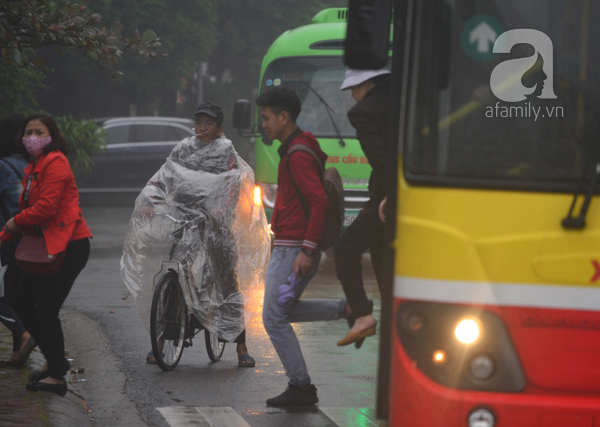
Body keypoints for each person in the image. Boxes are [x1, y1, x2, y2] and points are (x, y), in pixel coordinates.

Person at [122, 103, 270, 368]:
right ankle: (161, 342)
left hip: (216, 224)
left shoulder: (226, 151)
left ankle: (241, 345)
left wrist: (220, 210)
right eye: (199, 122)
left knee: (226, 280)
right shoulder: (184, 148)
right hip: (185, 220)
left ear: (219, 129)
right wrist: (150, 200)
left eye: (208, 124)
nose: (202, 128)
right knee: (174, 274)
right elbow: (163, 176)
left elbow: (234, 184)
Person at [256, 87, 348, 407]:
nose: (263, 124)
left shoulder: (296, 153)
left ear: (284, 117)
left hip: (293, 246)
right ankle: (344, 309)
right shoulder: (300, 145)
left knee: (273, 318)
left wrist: (307, 251)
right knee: (284, 310)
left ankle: (301, 387)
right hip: (291, 243)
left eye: (267, 118)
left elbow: (319, 200)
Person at [0, 113, 92, 396]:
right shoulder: (35, 166)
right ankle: (55, 362)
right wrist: (8, 232)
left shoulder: (56, 163)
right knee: (19, 299)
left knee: (45, 309)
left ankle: (57, 377)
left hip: (68, 245)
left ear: (51, 136)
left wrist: (17, 222)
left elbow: (47, 208)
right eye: (28, 132)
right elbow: (30, 213)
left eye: (39, 131)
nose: (33, 137)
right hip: (42, 243)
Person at [334, 68, 391, 348]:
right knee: (383, 259)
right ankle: (392, 320)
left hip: (385, 198)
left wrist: (391, 195)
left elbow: (382, 159)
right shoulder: (402, 98)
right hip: (408, 191)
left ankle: (362, 315)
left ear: (367, 83)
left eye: (354, 89)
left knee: (345, 249)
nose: (353, 97)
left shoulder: (364, 112)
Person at [0, 113, 35, 369]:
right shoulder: (32, 164)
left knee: (7, 294)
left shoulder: (3, 166)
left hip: (10, 238)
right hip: (31, 240)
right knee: (12, 292)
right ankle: (18, 350)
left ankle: (24, 335)